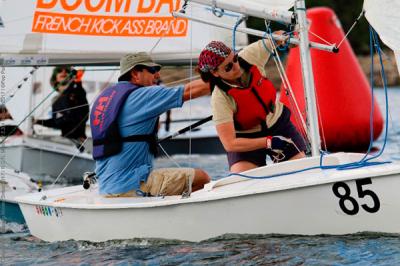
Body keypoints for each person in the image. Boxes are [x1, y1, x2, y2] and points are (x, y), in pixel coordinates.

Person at [91, 52, 211, 197]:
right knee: (202, 178)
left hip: (105, 186)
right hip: (130, 185)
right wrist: (227, 75)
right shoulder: (143, 95)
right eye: (152, 70)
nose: (157, 75)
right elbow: (192, 90)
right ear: (136, 73)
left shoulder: (104, 99)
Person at [197, 34, 306, 173]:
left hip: (278, 124)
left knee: (300, 169)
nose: (236, 66)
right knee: (242, 178)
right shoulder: (220, 98)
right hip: (246, 137)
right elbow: (230, 144)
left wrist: (288, 37)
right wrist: (269, 142)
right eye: (228, 67)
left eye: (235, 59)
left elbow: (274, 38)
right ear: (215, 73)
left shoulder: (249, 56)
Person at [34, 66, 89, 147]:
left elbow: (81, 109)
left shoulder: (77, 91)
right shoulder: (56, 100)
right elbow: (56, 122)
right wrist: (37, 121)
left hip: (79, 141)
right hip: (66, 141)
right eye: (59, 70)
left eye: (67, 71)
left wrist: (77, 81)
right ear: (55, 77)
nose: (63, 72)